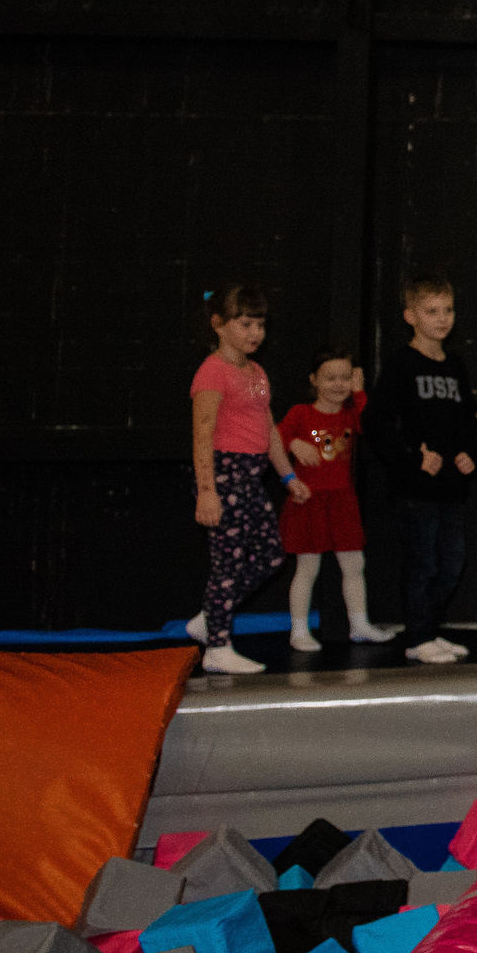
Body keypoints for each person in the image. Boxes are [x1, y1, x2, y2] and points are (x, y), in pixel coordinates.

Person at [187, 285, 310, 675]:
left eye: (259, 324)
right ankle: (217, 646)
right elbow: (202, 433)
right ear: (219, 325)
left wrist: (287, 474)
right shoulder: (212, 371)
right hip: (223, 472)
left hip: (251, 474)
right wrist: (207, 491)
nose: (255, 333)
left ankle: (209, 618)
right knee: (229, 561)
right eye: (245, 324)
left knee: (272, 555)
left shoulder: (256, 372)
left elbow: (268, 427)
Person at [367, 276, 477, 665]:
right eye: (432, 312)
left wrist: (468, 454)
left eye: (448, 310)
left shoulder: (456, 365)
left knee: (452, 563)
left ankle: (430, 629)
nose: (442, 319)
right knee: (424, 563)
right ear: (410, 317)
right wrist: (413, 457)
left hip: (450, 487)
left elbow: (466, 421)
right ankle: (417, 636)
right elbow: (375, 422)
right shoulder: (401, 363)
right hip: (414, 487)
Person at [277, 351, 400, 657]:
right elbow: (273, 442)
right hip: (308, 499)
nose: (338, 384)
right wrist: (293, 444)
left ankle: (359, 624)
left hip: (342, 499)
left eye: (345, 377)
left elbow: (370, 424)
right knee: (307, 568)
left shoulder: (350, 415)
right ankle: (299, 630)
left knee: (355, 565)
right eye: (330, 378)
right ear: (314, 380)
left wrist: (359, 391)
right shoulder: (300, 413)